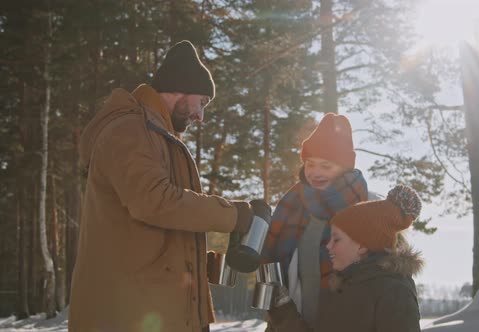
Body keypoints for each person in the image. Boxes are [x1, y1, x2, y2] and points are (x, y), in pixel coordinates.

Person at [69, 40, 255, 332]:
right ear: (181, 86)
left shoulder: (154, 134)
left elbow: (151, 229)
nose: (200, 116)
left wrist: (194, 259)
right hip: (129, 316)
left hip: (149, 310)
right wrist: (233, 216)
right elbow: (155, 202)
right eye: (202, 102)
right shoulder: (129, 130)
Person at [261, 113, 369, 329]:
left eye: (326, 166)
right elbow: (267, 272)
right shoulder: (292, 204)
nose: (315, 173)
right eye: (310, 164)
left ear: (344, 168)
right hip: (287, 325)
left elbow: (377, 281)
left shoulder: (365, 210)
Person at [267, 184, 424, 332]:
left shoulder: (394, 292)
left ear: (362, 245)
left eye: (336, 239)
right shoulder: (342, 287)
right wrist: (283, 311)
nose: (328, 246)